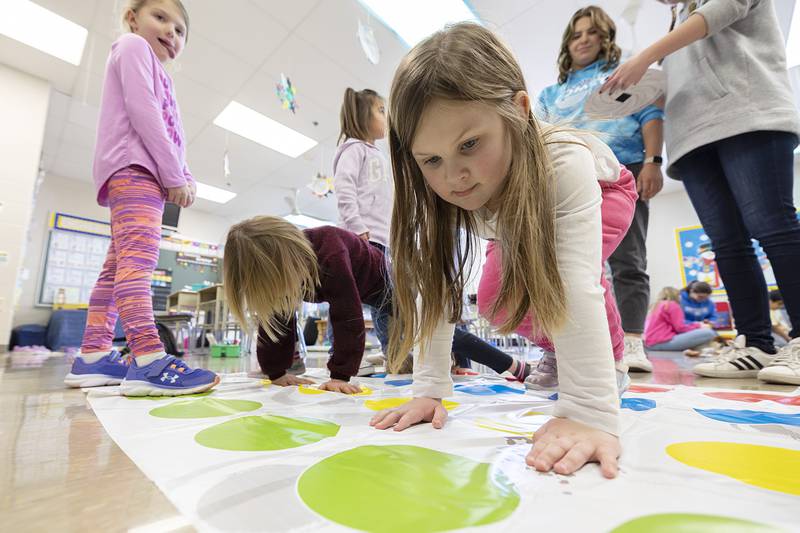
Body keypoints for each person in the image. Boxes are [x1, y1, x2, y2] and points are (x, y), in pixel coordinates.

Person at [370, 23, 637, 478]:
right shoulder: (448, 191)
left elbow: (573, 284)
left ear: (518, 110)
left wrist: (590, 411)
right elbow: (436, 294)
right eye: (431, 160)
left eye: (469, 145)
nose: (455, 177)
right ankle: (561, 350)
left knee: (563, 276)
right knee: (496, 296)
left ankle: (610, 362)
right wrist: (430, 388)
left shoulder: (563, 162)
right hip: (511, 213)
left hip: (604, 190)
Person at [602, 0, 800, 381]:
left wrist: (646, 56)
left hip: (749, 116)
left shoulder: (688, 22)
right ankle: (755, 341)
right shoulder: (677, 18)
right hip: (693, 139)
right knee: (726, 242)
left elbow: (718, 13)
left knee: (772, 225)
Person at [64, 0, 218, 396]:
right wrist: (173, 174)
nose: (171, 32)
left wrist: (184, 173)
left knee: (116, 268)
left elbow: (166, 128)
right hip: (137, 172)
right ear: (132, 18)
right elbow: (144, 113)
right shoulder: (133, 48)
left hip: (135, 171)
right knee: (138, 263)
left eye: (180, 30)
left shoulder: (156, 69)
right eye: (160, 18)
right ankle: (149, 358)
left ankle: (94, 356)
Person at [223, 217, 533, 392]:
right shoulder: (278, 272)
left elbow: (347, 318)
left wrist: (339, 376)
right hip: (366, 285)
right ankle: (459, 364)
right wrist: (275, 371)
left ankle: (511, 365)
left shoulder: (330, 253)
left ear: (294, 257)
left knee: (429, 328)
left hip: (388, 278)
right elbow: (275, 320)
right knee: (398, 358)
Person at [537, 5, 664, 373]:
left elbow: (650, 115)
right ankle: (569, 345)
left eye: (591, 32)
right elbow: (542, 137)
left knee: (628, 261)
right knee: (570, 264)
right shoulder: (550, 93)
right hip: (571, 177)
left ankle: (634, 342)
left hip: (622, 172)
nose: (583, 40)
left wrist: (653, 162)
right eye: (576, 34)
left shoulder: (621, 75)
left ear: (605, 38)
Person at [332, 88, 394, 354]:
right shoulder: (354, 149)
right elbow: (344, 187)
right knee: (348, 297)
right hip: (361, 239)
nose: (386, 115)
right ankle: (341, 353)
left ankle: (394, 351)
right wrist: (356, 225)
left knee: (386, 300)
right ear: (361, 116)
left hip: (382, 241)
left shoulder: (378, 154)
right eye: (380, 110)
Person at [644, 287, 716, 356]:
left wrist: (695, 325)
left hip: (649, 343)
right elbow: (680, 328)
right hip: (661, 342)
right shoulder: (672, 305)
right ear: (676, 295)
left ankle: (697, 351)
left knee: (700, 335)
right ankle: (704, 351)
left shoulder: (655, 305)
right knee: (709, 332)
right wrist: (699, 325)